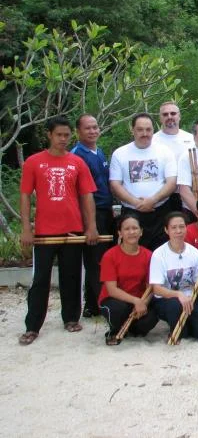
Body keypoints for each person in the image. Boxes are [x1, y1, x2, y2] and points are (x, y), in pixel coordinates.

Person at [19, 116, 99, 346]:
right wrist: (26, 228)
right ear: (49, 135)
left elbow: (87, 196)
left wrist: (91, 226)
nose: (63, 139)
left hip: (72, 231)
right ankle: (33, 325)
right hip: (44, 231)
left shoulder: (77, 162)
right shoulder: (34, 162)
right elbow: (25, 196)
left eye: (67, 135)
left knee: (72, 276)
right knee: (40, 279)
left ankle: (71, 318)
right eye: (59, 135)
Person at [109, 113, 177, 251]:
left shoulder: (165, 151)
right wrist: (136, 203)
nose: (145, 133)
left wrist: (152, 200)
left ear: (153, 130)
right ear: (132, 130)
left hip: (160, 212)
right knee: (133, 253)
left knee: (160, 253)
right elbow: (115, 184)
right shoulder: (120, 153)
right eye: (140, 129)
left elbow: (172, 182)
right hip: (131, 212)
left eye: (148, 129)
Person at [150, 212, 198, 343]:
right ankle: (179, 327)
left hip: (191, 298)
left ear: (186, 228)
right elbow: (157, 289)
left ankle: (186, 324)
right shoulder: (159, 254)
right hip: (168, 300)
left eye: (181, 227)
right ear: (166, 230)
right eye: (174, 227)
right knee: (175, 306)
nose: (178, 231)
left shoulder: (194, 253)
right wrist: (178, 295)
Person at [71, 113, 114, 319]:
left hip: (106, 210)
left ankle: (91, 305)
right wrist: (90, 224)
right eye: (87, 128)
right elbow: (79, 192)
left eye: (95, 127)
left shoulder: (99, 152)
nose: (93, 131)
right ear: (78, 132)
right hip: (92, 213)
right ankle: (100, 305)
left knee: (102, 258)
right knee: (96, 262)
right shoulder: (77, 155)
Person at [99, 214, 159, 345]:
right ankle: (114, 331)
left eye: (135, 228)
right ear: (120, 233)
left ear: (141, 231)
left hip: (140, 299)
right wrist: (135, 301)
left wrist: (143, 302)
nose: (131, 232)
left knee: (149, 319)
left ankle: (129, 328)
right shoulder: (110, 256)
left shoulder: (149, 255)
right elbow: (111, 290)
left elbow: (151, 287)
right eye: (126, 229)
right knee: (118, 310)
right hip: (116, 300)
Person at [152, 101, 194, 213]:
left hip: (188, 193)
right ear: (160, 118)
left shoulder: (192, 139)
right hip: (163, 197)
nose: (169, 116)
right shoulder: (152, 141)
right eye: (165, 114)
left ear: (179, 116)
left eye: (173, 113)